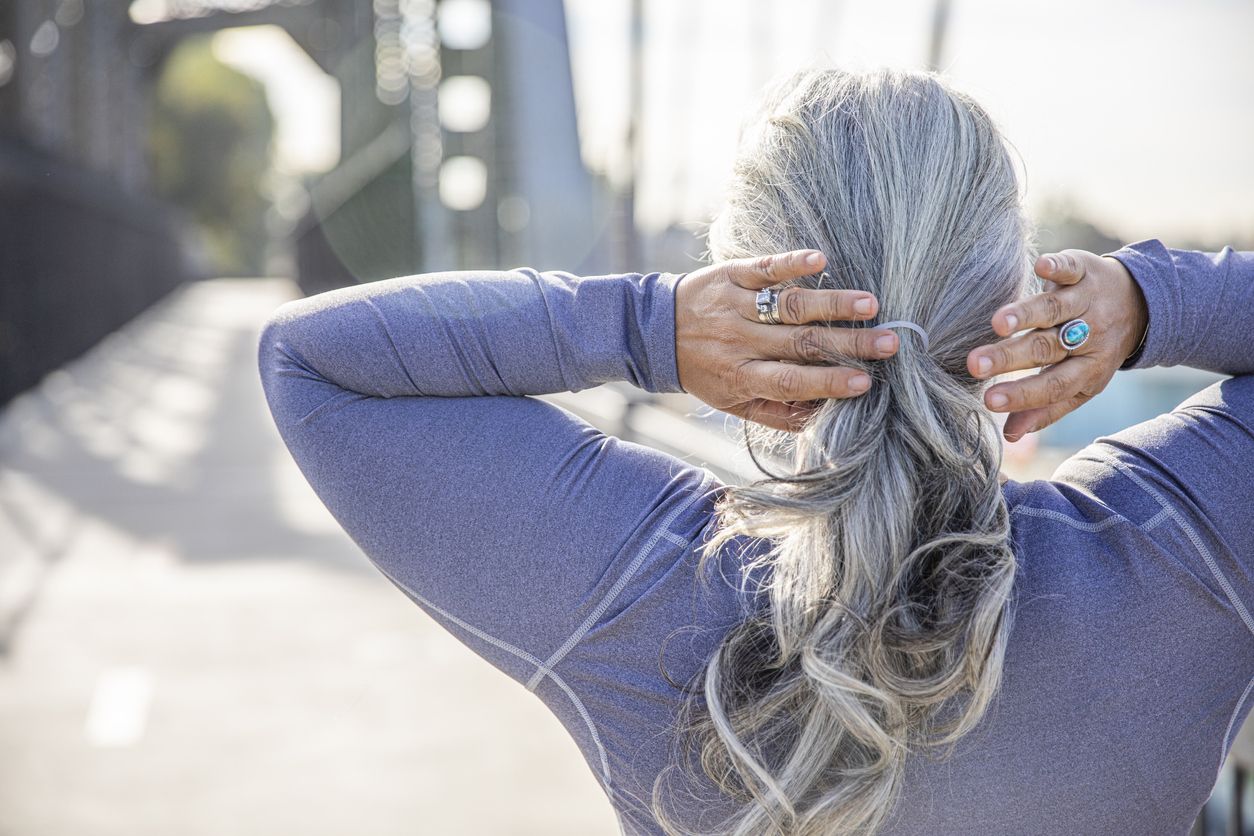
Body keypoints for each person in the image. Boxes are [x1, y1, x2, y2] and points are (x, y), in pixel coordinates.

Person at [257, 67, 1253, 835]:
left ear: (744, 278)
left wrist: (648, 325)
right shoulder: (1181, 555)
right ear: (1013, 290)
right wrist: (1149, 304)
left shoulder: (644, 579)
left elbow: (313, 360)